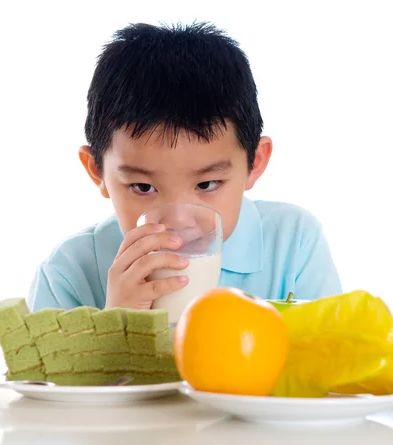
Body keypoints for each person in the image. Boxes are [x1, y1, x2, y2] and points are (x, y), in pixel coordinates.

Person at [27, 22, 342, 311]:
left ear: (254, 163)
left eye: (207, 185)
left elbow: (333, 363)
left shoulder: (293, 243)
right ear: (97, 171)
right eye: (143, 187)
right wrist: (118, 325)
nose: (178, 222)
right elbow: (43, 375)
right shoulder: (67, 273)